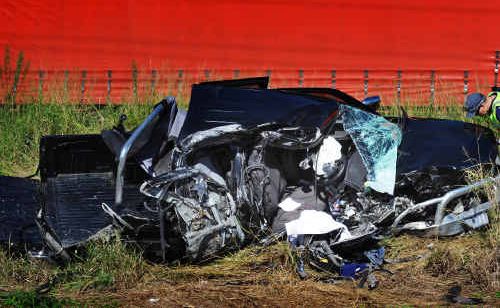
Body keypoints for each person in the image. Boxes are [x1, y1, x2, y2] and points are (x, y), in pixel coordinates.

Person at [464, 91, 500, 165]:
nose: (477, 115)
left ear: (482, 104)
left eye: (477, 112)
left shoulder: (498, 110)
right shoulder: (492, 97)